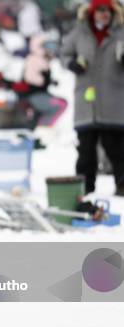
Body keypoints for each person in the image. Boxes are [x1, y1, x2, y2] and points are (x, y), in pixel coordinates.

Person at [62, 0, 124, 196]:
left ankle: (122, 185)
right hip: (86, 103)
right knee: (86, 150)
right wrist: (72, 64)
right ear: (92, 13)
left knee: (117, 149)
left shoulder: (121, 33)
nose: (104, 14)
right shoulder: (78, 33)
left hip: (114, 100)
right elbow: (64, 54)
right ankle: (84, 188)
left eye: (107, 11)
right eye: (100, 10)